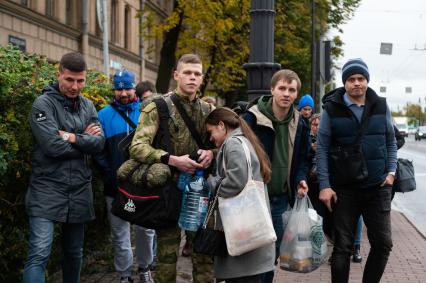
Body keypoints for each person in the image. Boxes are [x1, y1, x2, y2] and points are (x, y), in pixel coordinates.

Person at [129, 53, 215, 283]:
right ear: (176, 75)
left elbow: (226, 145)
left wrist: (212, 153)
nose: (192, 78)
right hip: (168, 191)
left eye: (197, 74)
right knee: (167, 258)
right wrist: (172, 159)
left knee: (204, 256)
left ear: (202, 78)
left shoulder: (208, 111)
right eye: (187, 73)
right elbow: (137, 147)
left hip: (200, 192)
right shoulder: (157, 107)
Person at [23, 52, 105, 283]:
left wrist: (70, 137)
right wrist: (83, 141)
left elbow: (99, 144)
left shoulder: (88, 106)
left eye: (80, 81)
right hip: (46, 189)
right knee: (39, 254)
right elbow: (52, 147)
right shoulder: (43, 104)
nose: (75, 86)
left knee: (74, 253)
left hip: (79, 188)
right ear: (59, 74)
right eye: (69, 79)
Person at [317, 58, 397, 283]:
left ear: (367, 80)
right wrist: (325, 186)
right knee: (343, 247)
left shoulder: (381, 105)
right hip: (344, 189)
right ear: (345, 83)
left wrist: (391, 172)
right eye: (351, 79)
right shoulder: (331, 109)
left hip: (377, 186)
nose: (357, 83)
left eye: (361, 78)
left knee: (383, 244)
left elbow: (391, 141)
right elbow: (321, 149)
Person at [242, 69, 310, 283]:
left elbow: (302, 158)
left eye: (292, 90)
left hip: (281, 199)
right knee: (253, 254)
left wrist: (301, 178)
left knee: (272, 255)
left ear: (296, 94)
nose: (286, 94)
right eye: (282, 88)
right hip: (253, 198)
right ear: (272, 90)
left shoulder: (300, 123)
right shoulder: (251, 118)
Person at [95, 70, 156, 283]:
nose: (123, 93)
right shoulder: (103, 115)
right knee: (119, 234)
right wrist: (109, 173)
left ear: (134, 87)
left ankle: (145, 267)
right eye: (119, 88)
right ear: (114, 90)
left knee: (145, 230)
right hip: (116, 186)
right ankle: (124, 274)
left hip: (143, 185)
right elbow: (99, 150)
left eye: (127, 88)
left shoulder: (147, 111)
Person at [206, 107, 275, 283]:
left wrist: (212, 182)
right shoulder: (243, 140)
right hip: (250, 233)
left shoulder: (233, 144)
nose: (210, 138)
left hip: (242, 231)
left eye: (211, 131)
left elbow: (236, 182)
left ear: (221, 125)